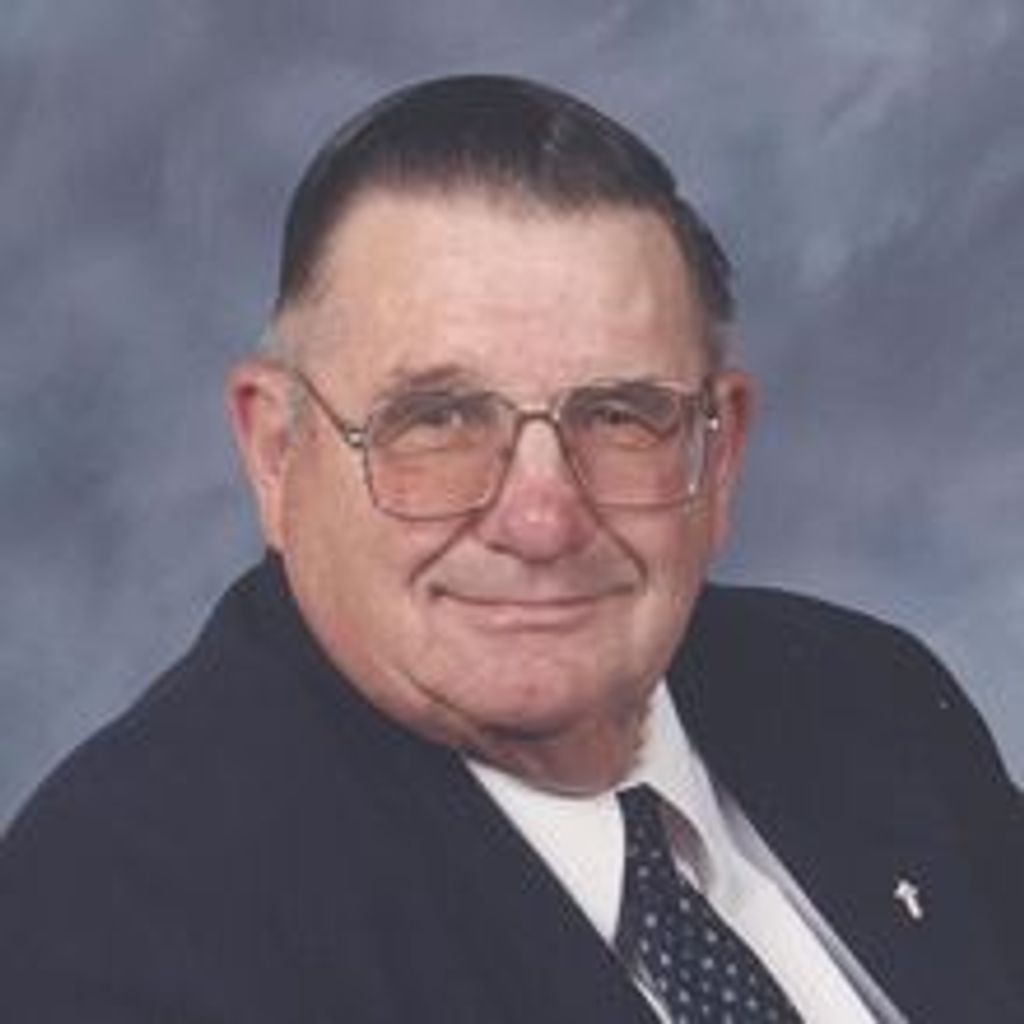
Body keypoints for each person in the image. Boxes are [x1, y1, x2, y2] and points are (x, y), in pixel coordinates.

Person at [1, 75, 1020, 1024]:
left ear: (720, 451)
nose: (542, 521)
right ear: (277, 453)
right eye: (437, 420)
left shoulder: (866, 696)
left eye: (618, 415)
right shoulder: (122, 926)